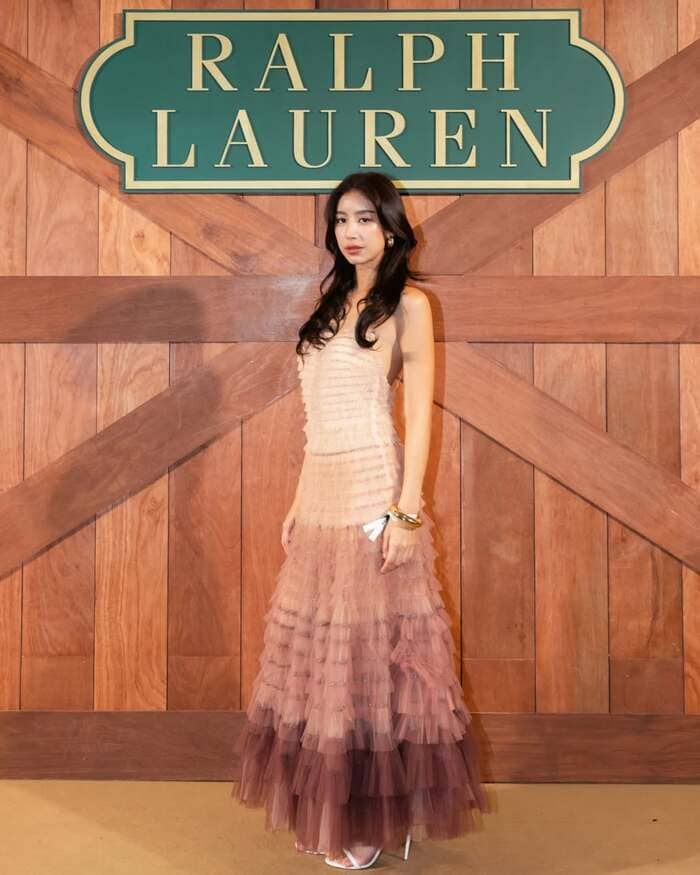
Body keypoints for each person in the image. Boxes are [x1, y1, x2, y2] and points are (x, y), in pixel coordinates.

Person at [231, 171, 489, 869]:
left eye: (366, 219)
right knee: (324, 658)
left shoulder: (410, 305)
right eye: (342, 218)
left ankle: (373, 816)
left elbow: (418, 415)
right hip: (321, 493)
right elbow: (316, 415)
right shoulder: (330, 303)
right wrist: (297, 499)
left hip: (373, 492)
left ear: (393, 228)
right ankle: (338, 806)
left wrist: (406, 511)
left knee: (372, 659)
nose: (351, 231)